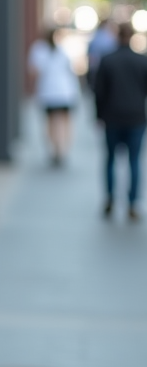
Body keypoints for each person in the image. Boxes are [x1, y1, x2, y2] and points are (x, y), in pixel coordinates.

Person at [93, 22, 147, 220]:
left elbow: (98, 92)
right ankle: (133, 203)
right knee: (134, 160)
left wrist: (98, 116)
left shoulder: (107, 60)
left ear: (117, 36)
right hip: (136, 118)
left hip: (112, 117)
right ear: (132, 36)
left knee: (110, 159)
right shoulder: (142, 61)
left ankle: (110, 199)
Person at [27, 27, 81, 167]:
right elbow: (72, 69)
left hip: (48, 92)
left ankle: (54, 149)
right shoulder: (64, 48)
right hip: (66, 92)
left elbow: (34, 71)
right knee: (65, 122)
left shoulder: (38, 49)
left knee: (50, 122)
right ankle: (62, 149)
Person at [87, 17, 118, 92]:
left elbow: (90, 54)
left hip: (96, 67)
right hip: (105, 67)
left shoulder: (95, 36)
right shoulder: (110, 38)